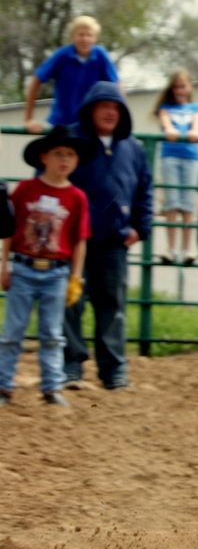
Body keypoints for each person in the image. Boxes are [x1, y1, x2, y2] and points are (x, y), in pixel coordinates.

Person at [63, 82, 154, 391]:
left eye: (115, 107)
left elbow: (145, 190)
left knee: (112, 306)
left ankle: (114, 371)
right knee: (70, 303)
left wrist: (140, 228)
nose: (110, 112)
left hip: (114, 241)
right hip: (74, 242)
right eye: (104, 106)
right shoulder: (70, 138)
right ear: (91, 109)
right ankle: (70, 367)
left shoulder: (134, 148)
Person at [0, 130, 93, 406]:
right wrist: (4, 264)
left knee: (53, 333)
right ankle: (4, 385)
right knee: (12, 331)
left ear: (76, 160)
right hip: (25, 268)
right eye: (58, 153)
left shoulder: (77, 197)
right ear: (44, 157)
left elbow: (79, 241)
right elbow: (8, 229)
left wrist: (76, 277)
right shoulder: (26, 190)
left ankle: (52, 387)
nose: (64, 159)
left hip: (56, 272)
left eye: (70, 154)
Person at [23, 15, 119, 134]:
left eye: (89, 35)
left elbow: (116, 86)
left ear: (95, 38)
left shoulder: (100, 56)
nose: (84, 39)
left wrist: (118, 122)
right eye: (81, 35)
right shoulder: (62, 55)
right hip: (62, 123)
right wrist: (28, 119)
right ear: (72, 37)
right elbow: (36, 79)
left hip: (90, 126)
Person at [153, 69, 198, 265]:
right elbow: (166, 121)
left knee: (189, 203)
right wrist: (169, 128)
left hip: (191, 157)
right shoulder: (165, 108)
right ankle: (171, 248)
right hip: (171, 156)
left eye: (183, 86)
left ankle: (187, 249)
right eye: (176, 86)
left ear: (190, 87)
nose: (180, 90)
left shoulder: (196, 108)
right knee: (172, 203)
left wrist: (195, 130)